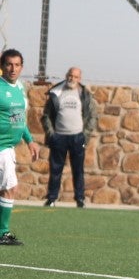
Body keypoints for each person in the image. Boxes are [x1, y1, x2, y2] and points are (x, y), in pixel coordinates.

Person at [40, 66, 98, 208]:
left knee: (78, 170)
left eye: (75, 76)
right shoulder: (57, 92)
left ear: (80, 79)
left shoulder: (84, 94)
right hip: (59, 137)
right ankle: (52, 198)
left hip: (77, 138)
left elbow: (93, 116)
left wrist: (85, 135)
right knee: (55, 170)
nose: (72, 78)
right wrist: (51, 134)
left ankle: (80, 199)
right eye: (70, 75)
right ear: (66, 75)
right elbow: (46, 115)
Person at [0, 49, 40, 246]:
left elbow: (19, 118)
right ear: (2, 66)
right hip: (1, 147)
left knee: (8, 188)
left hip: (8, 147)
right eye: (8, 64)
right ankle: (2, 233)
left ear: (21, 67)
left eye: (16, 65)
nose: (12, 68)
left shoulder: (20, 89)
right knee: (10, 188)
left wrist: (30, 140)